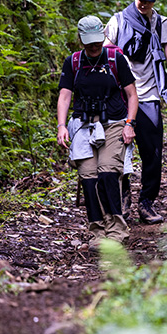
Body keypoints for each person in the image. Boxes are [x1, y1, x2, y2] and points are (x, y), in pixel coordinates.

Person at [57, 16, 138, 242]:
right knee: (89, 179)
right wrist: (61, 126)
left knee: (108, 174)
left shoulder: (115, 58)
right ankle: (97, 231)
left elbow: (132, 94)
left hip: (114, 123)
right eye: (89, 42)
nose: (94, 46)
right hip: (83, 125)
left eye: (97, 41)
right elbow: (64, 96)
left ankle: (117, 229)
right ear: (81, 40)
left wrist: (130, 124)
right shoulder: (73, 62)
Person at [104, 0, 167, 225]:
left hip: (150, 95)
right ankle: (122, 200)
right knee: (118, 151)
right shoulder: (118, 21)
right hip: (120, 95)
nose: (143, 4)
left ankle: (147, 202)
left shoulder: (163, 24)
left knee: (153, 153)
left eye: (148, 0)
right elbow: (105, 54)